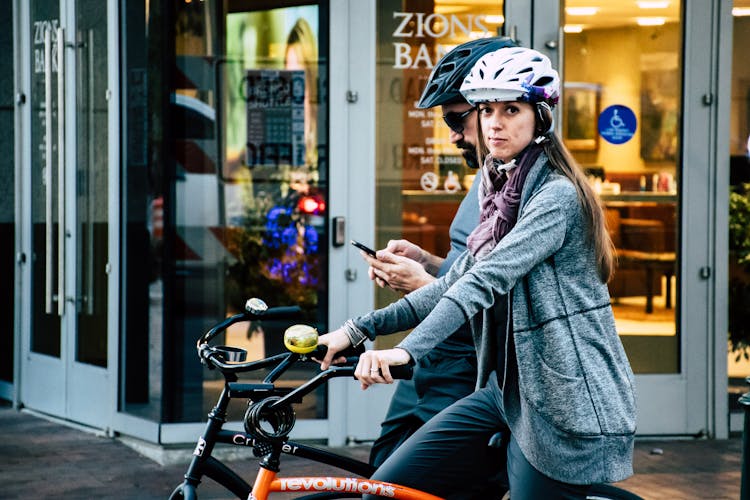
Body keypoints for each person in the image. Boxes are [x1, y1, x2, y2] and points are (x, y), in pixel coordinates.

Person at [320, 46, 637, 499]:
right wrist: (354, 332)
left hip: (557, 397)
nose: (494, 123)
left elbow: (481, 283)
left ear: (540, 117)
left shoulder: (556, 198)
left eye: (511, 109)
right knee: (388, 489)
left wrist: (404, 353)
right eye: (486, 109)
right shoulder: (500, 191)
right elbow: (455, 280)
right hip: (504, 391)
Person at [358, 36, 517, 471]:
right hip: (437, 352)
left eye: (455, 119)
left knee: (426, 483)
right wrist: (427, 260)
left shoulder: (529, 195)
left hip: (471, 363)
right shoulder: (489, 180)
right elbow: (470, 267)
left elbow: (500, 294)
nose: (451, 135)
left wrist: (422, 283)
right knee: (382, 472)